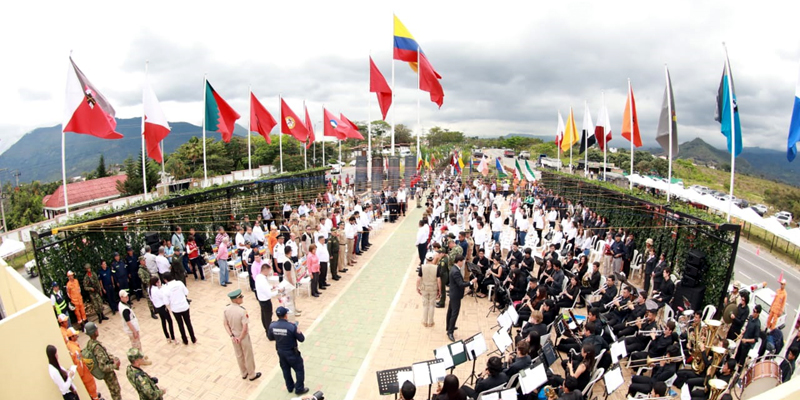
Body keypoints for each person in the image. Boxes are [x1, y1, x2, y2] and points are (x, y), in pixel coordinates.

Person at [268, 306, 308, 395]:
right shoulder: (291, 327)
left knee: (285, 370)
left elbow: (270, 337)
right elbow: (301, 339)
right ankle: (299, 389)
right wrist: (298, 330)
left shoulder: (272, 325)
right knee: (299, 370)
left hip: (281, 352)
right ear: (285, 315)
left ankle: (290, 387)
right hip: (292, 352)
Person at [224, 289, 262, 381]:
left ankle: (243, 373)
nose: (242, 298)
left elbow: (225, 324)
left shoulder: (226, 309)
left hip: (234, 336)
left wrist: (232, 336)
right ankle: (252, 374)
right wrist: (240, 338)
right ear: (237, 300)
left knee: (239, 355)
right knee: (248, 355)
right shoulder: (242, 311)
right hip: (242, 336)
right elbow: (245, 328)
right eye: (240, 297)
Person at [85, 321, 122, 400]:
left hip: (107, 374)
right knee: (116, 392)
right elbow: (103, 367)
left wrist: (112, 357)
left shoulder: (90, 343)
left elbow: (104, 355)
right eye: (96, 330)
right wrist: (115, 365)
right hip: (108, 375)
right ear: (94, 332)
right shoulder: (96, 348)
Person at [446, 255, 478, 341]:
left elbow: (460, 282)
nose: (463, 263)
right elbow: (460, 284)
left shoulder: (454, 269)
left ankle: (449, 326)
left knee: (450, 311)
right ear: (459, 261)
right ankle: (450, 331)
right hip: (455, 295)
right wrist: (471, 282)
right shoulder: (456, 271)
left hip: (453, 294)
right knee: (454, 313)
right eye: (462, 261)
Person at [64, 327, 101, 400]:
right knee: (91, 388)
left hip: (82, 374)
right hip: (85, 376)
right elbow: (80, 364)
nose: (77, 336)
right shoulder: (76, 351)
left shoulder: (69, 345)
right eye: (75, 335)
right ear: (71, 337)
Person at [118, 290, 152, 365]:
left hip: (132, 328)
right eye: (125, 297)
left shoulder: (122, 304)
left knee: (137, 344)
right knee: (136, 345)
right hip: (131, 330)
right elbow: (128, 322)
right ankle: (140, 360)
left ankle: (141, 357)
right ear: (121, 298)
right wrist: (134, 331)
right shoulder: (125, 309)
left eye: (127, 296)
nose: (127, 297)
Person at [163, 272, 196, 345]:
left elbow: (166, 302)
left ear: (165, 280)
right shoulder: (180, 283)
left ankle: (185, 340)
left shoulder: (165, 288)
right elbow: (186, 292)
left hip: (176, 309)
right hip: (184, 306)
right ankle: (193, 338)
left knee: (180, 324)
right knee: (188, 323)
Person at [148, 276, 175, 344]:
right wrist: (162, 288)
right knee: (169, 321)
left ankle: (167, 337)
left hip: (157, 307)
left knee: (163, 321)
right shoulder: (156, 290)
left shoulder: (149, 289)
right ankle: (173, 337)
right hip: (162, 306)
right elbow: (163, 296)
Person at [417, 252, 442, 328]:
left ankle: (424, 321)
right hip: (433, 288)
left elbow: (418, 279)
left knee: (425, 305)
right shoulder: (436, 268)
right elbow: (438, 280)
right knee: (431, 305)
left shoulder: (422, 267)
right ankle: (430, 322)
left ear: (426, 258)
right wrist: (439, 290)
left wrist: (417, 287)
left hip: (424, 288)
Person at [255, 261, 276, 334]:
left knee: (264, 316)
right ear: (265, 271)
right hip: (266, 300)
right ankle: (269, 332)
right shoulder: (263, 280)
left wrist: (271, 287)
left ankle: (266, 329)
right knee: (268, 317)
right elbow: (269, 294)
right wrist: (278, 292)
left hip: (261, 299)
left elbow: (264, 288)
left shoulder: (258, 277)